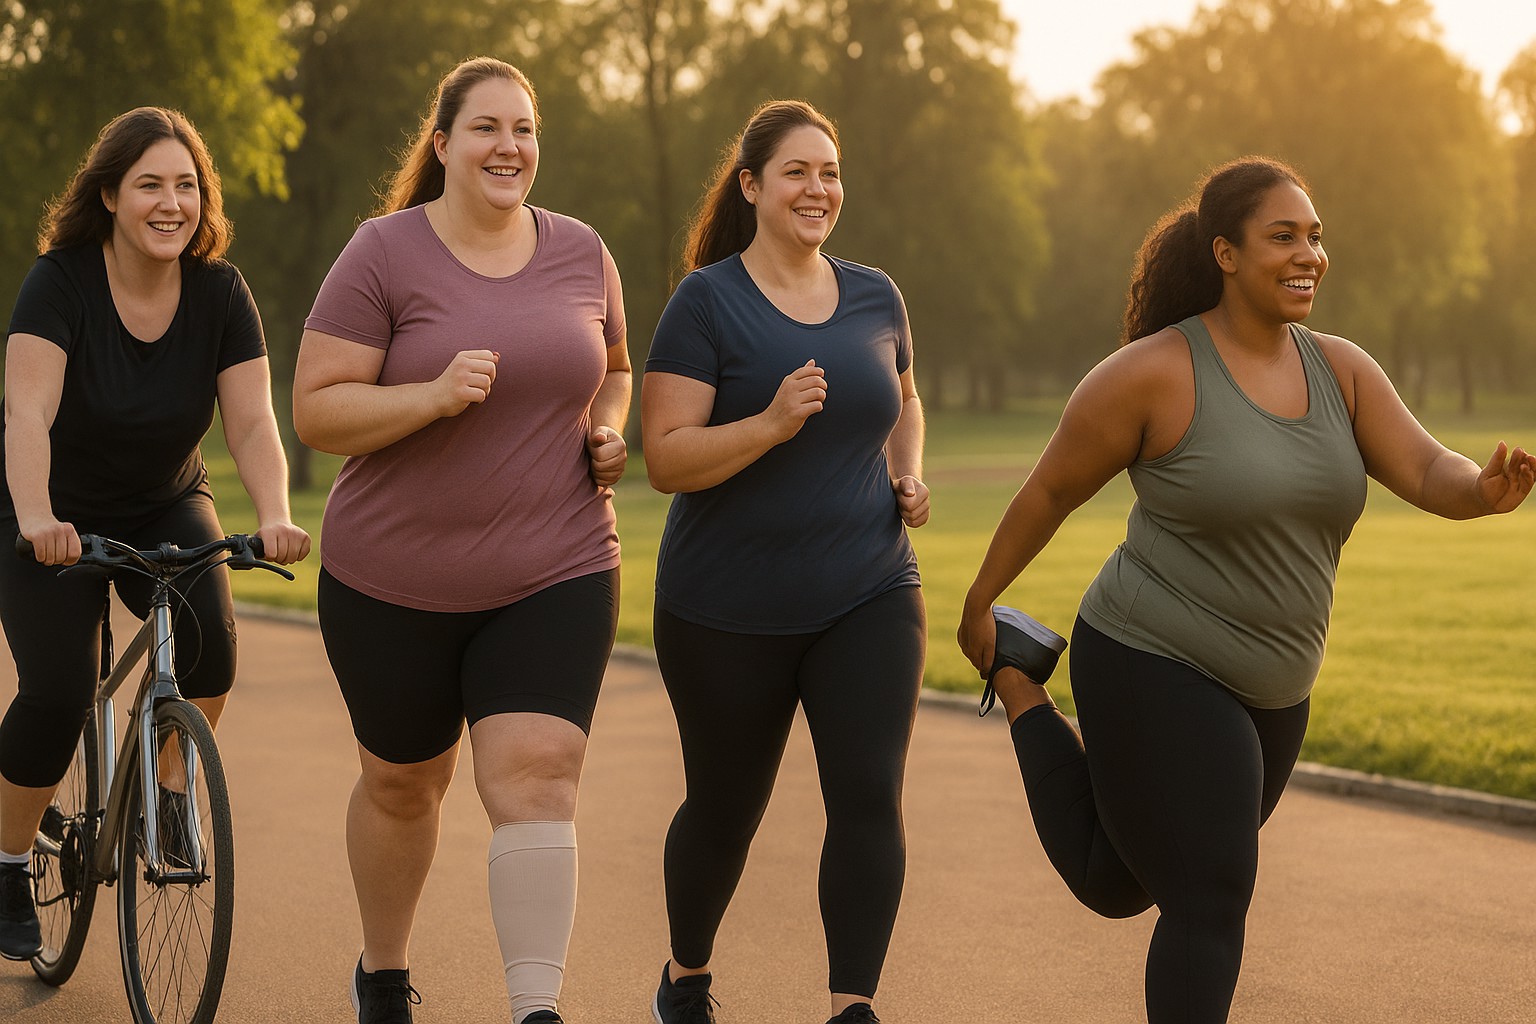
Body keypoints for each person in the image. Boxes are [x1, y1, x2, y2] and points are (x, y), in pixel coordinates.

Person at [956, 156, 1535, 1024]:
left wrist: (1481, 492)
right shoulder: (1154, 373)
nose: (1309, 254)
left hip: (1276, 691)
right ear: (1225, 253)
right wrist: (979, 600)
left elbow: (1424, 466)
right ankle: (1009, 663)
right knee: (1211, 895)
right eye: (1283, 236)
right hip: (1152, 656)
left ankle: (1019, 681)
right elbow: (1049, 492)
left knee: (1117, 880)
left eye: (1316, 237)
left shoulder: (1341, 371)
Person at [292, 56, 630, 1024]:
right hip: (392, 577)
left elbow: (614, 366)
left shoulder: (581, 250)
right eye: (486, 127)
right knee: (404, 783)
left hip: (556, 563)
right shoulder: (383, 252)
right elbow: (316, 410)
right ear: (442, 145)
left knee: (540, 772)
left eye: (523, 128)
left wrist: (607, 428)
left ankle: (535, 1008)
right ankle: (384, 972)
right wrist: (430, 396)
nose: (508, 146)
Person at [642, 99, 930, 1024]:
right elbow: (665, 458)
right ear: (752, 187)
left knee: (869, 796)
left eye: (830, 173)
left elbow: (905, 399)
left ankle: (852, 1006)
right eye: (797, 172)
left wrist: (907, 473)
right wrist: (767, 424)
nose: (818, 189)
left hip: (870, 589)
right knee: (725, 809)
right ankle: (686, 977)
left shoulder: (877, 295)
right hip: (726, 609)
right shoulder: (706, 302)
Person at [0, 107, 311, 960]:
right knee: (60, 691)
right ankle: (9, 861)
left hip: (163, 499)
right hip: (49, 507)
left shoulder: (221, 292)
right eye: (150, 185)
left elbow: (251, 423)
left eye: (186, 185)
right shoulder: (59, 283)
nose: (172, 203)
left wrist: (275, 515)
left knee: (212, 650)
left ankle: (169, 790)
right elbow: (27, 412)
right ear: (109, 195)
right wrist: (37, 519)